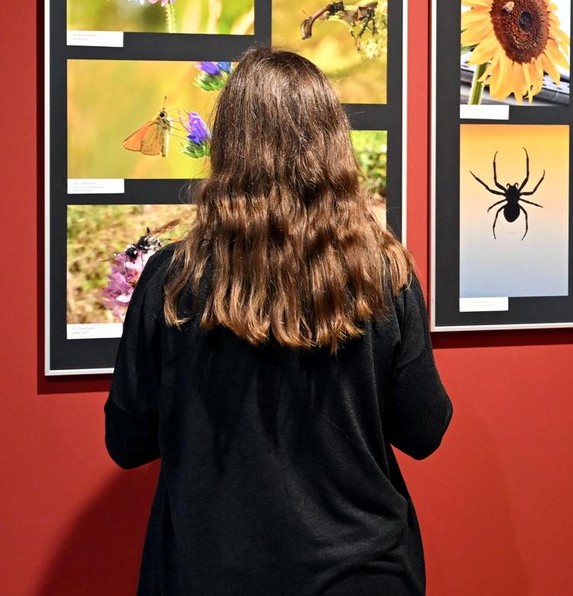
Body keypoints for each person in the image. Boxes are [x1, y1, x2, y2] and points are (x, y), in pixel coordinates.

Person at [105, 46, 452, 595]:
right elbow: (425, 429)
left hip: (209, 575)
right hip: (362, 573)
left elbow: (127, 442)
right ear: (333, 145)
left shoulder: (172, 279)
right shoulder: (383, 272)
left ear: (228, 147)